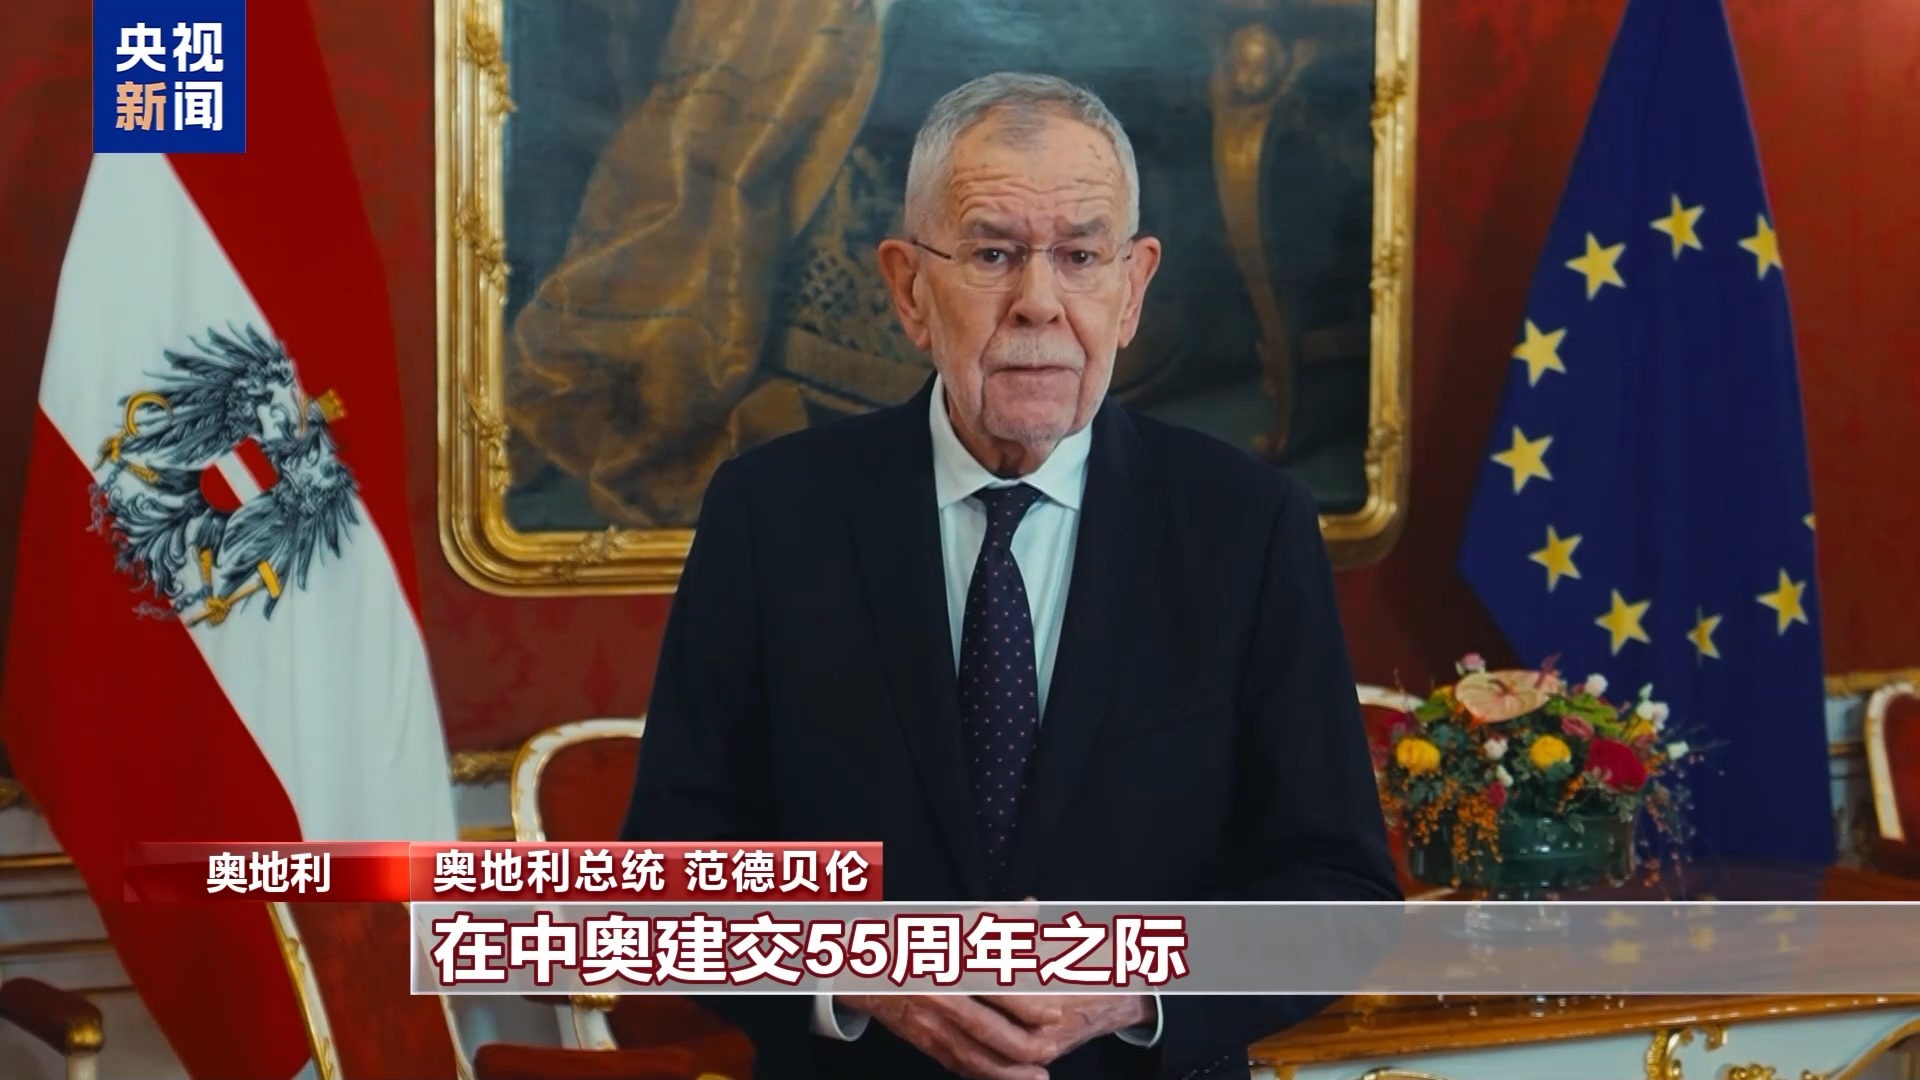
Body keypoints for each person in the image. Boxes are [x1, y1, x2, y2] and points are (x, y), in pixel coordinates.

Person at [622, 71, 1399, 1080]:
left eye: (1080, 256)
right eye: (992, 254)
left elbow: (1339, 890)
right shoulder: (771, 514)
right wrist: (859, 966)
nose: (1039, 302)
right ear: (909, 288)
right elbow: (670, 876)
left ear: (1132, 288)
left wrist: (1134, 978)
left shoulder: (1248, 525)